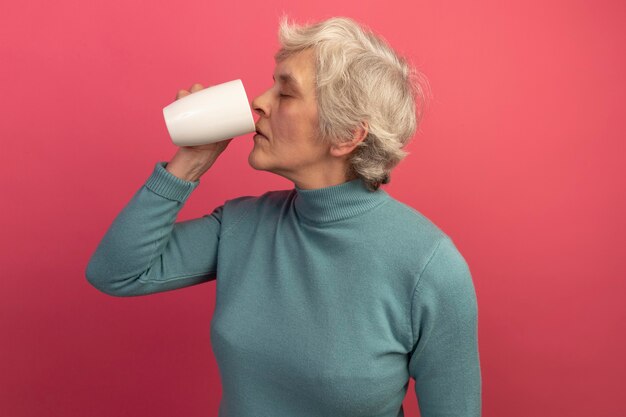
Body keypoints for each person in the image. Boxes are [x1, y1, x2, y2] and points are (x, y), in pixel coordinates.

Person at [86, 15, 481, 417]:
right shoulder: (242, 225)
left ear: (347, 135)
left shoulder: (429, 267)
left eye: (286, 93)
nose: (259, 101)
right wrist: (190, 162)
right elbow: (116, 272)